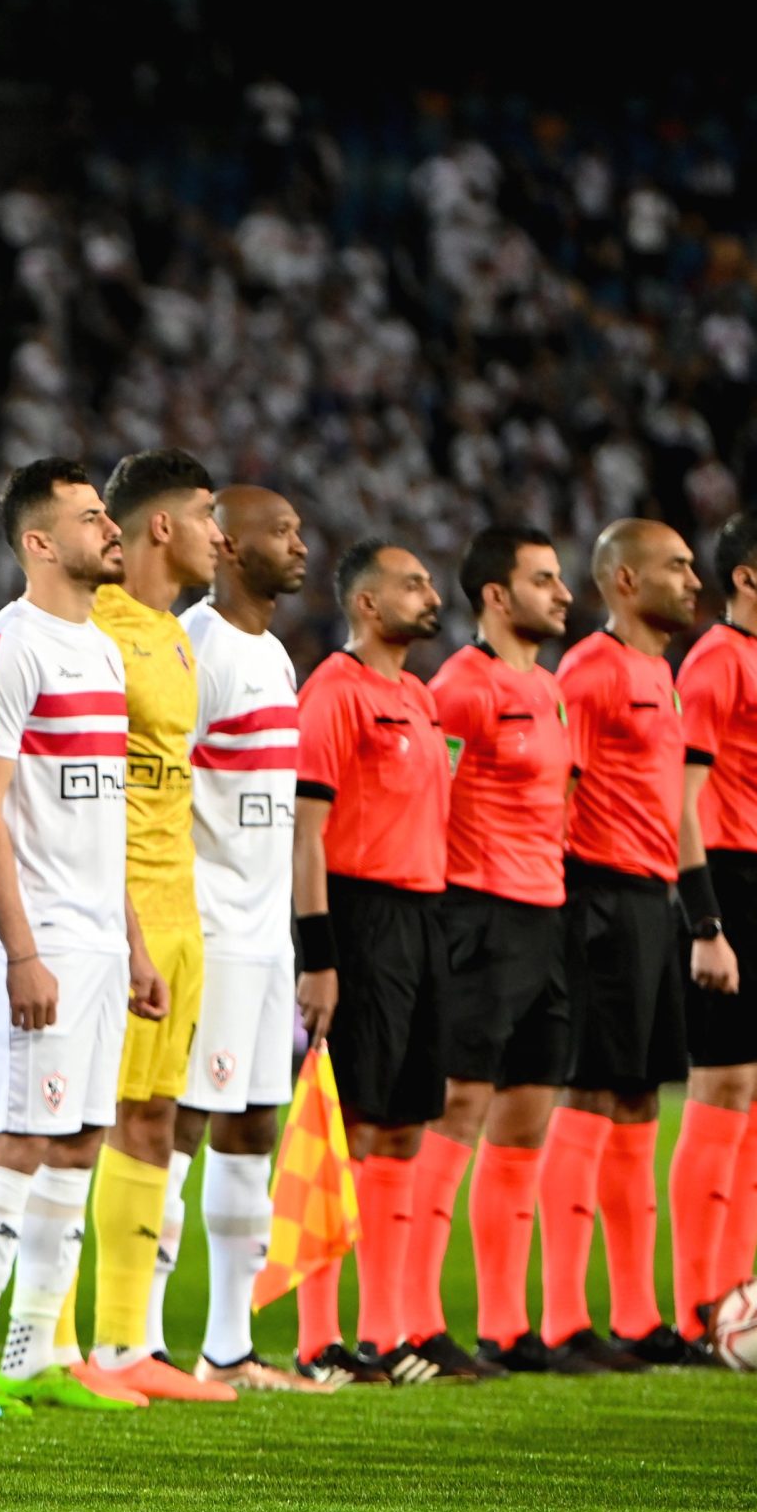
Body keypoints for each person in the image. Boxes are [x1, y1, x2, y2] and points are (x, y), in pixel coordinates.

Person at [0, 456, 167, 1415]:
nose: (111, 529)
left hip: (99, 939)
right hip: (36, 936)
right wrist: (21, 951)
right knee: (16, 1136)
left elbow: (103, 814)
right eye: (89, 517)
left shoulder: (104, 651)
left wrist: (133, 944)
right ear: (39, 542)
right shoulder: (8, 644)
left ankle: (35, 1352)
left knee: (78, 1139)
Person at [172, 486, 334, 1391]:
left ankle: (228, 1347)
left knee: (252, 1126)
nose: (299, 544)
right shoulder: (196, 646)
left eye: (299, 530)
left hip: (267, 936)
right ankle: (138, 1340)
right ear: (228, 545)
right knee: (180, 1125)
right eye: (281, 531)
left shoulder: (273, 654)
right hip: (212, 929)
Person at [82, 449, 235, 1403]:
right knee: (82, 1121)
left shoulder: (176, 638)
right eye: (208, 514)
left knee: (155, 1119)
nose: (221, 535)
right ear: (163, 526)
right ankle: (56, 1343)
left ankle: (124, 1342)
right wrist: (125, 921)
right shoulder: (95, 628)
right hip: (119, 909)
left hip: (182, 909)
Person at [539, 519, 706, 1370]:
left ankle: (638, 1317)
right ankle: (563, 1318)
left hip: (653, 900)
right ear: (627, 582)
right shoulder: (591, 671)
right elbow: (556, 791)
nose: (694, 581)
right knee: (591, 1095)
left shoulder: (663, 677)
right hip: (596, 898)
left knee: (638, 1099)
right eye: (676, 567)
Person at [291, 538, 456, 1385]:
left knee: (403, 1126)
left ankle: (388, 1334)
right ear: (366, 603)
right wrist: (319, 955)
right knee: (349, 1125)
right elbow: (305, 836)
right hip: (359, 917)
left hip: (424, 919)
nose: (431, 595)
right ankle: (319, 1342)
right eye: (412, 584)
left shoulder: (420, 698)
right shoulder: (334, 692)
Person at [417, 527, 573, 1383]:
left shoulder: (549, 689)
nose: (563, 594)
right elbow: (426, 802)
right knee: (460, 1109)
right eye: (544, 580)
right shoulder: (461, 690)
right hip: (478, 914)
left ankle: (509, 1329)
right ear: (497, 596)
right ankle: (417, 1320)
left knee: (526, 1117)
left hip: (547, 919)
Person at [672, 510, 757, 1344]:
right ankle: (696, 1311)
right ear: (746, 577)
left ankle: (735, 1301)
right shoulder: (718, 659)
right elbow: (681, 799)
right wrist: (705, 920)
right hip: (735, 882)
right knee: (722, 1088)